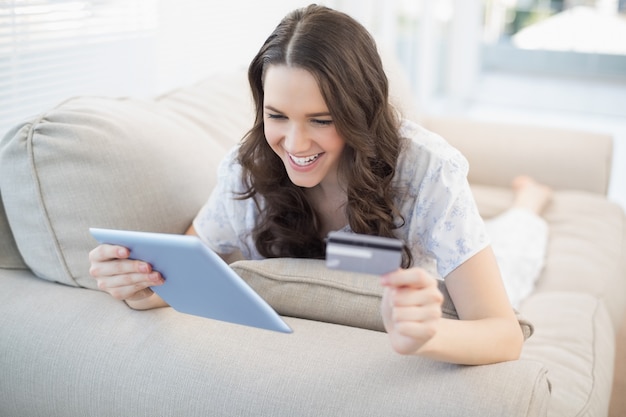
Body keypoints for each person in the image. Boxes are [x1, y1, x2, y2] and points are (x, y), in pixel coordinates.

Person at [88, 4, 551, 365]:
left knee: (513, 250)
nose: (294, 142)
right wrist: (140, 286)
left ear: (360, 112)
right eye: (277, 116)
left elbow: (503, 332)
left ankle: (529, 202)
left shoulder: (428, 170)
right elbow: (190, 267)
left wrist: (430, 336)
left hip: (441, 264)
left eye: (321, 119)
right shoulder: (246, 168)